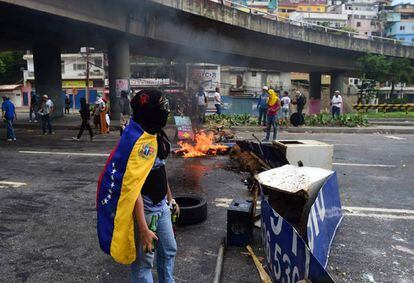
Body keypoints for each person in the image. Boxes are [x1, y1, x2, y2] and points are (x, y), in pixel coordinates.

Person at [97, 88, 179, 283]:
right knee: (144, 264)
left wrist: (171, 198)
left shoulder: (155, 133)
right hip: (146, 212)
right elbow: (132, 189)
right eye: (161, 106)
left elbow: (160, 171)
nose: (165, 110)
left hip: (162, 207)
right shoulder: (136, 141)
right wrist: (142, 228)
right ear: (150, 110)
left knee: (169, 250)